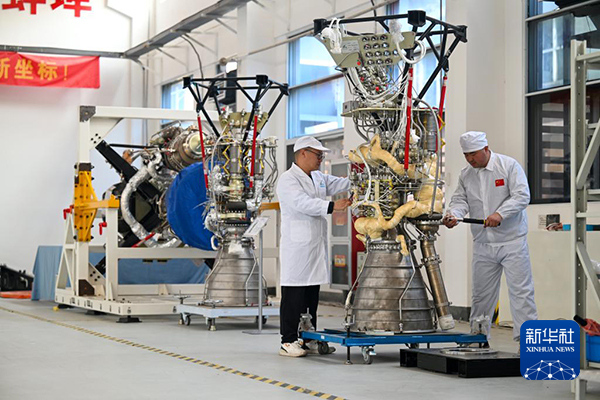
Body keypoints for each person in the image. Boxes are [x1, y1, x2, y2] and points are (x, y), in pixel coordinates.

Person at [443, 131, 537, 346]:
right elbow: (460, 200)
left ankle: (528, 343)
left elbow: (522, 196)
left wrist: (500, 214)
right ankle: (478, 338)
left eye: (473, 154)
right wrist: (454, 215)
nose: (470, 159)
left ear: (486, 149)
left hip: (512, 242)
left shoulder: (508, 166)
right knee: (481, 294)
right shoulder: (466, 175)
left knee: (521, 293)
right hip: (483, 243)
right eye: (466, 155)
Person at [276, 136, 352, 357]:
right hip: (297, 248)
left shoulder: (318, 177)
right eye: (318, 155)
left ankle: (308, 337)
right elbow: (302, 203)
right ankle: (288, 340)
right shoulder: (288, 180)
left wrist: (360, 178)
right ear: (303, 153)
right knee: (294, 294)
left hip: (314, 246)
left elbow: (338, 183)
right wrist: (332, 206)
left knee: (311, 294)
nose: (321, 159)